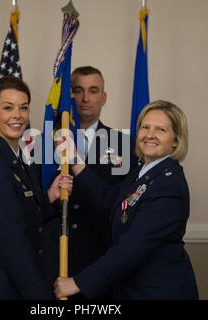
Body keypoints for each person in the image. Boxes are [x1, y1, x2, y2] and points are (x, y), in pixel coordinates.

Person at [53, 100, 199, 300]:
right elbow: (109, 199)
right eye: (145, 127)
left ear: (175, 140)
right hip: (134, 289)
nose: (149, 135)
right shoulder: (143, 172)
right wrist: (75, 160)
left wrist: (78, 283)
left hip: (159, 292)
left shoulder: (168, 184)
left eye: (160, 130)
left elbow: (133, 247)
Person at [0, 76, 73, 300]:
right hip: (2, 289)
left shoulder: (18, 160)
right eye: (8, 107)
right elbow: (11, 240)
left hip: (18, 285)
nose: (17, 115)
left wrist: (50, 197)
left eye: (23, 108)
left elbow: (26, 217)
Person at [63, 67, 138, 297]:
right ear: (70, 95)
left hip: (101, 258)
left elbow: (125, 204)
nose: (85, 98)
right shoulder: (48, 141)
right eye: (78, 90)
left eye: (93, 91)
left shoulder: (125, 144)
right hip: (59, 258)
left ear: (103, 97)